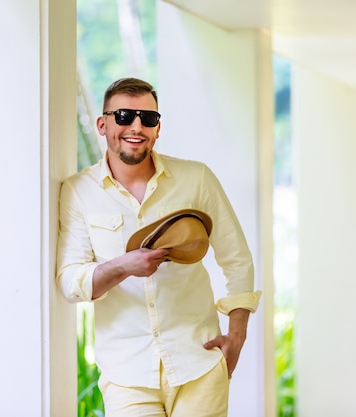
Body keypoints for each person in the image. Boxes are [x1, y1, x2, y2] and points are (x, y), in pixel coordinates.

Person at [56, 77, 261, 417]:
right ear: (102, 123)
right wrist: (124, 266)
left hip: (198, 362)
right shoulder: (79, 191)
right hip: (127, 375)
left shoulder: (196, 178)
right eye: (124, 116)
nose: (136, 126)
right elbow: (69, 281)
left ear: (158, 128)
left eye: (147, 119)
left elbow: (238, 259)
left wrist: (236, 335)